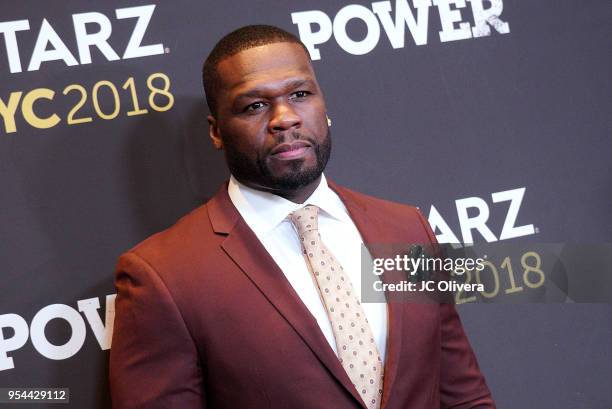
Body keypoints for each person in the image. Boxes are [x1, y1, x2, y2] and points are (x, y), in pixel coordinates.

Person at [109, 25, 495, 409]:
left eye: (300, 94)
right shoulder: (163, 276)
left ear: (324, 104)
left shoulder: (406, 228)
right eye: (255, 106)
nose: (285, 118)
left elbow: (463, 395)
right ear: (216, 132)